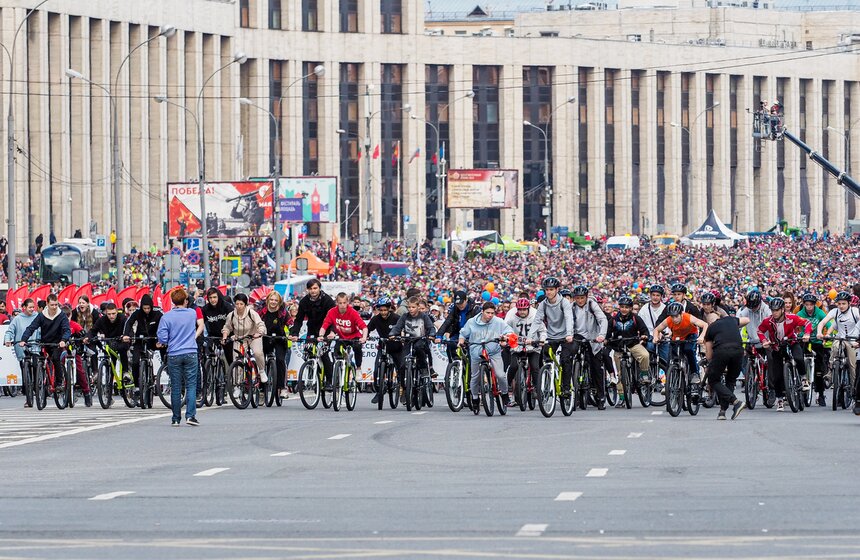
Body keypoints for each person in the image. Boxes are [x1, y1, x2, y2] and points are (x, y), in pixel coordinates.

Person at [458, 302, 515, 410]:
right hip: (476, 352)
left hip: (494, 351)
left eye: (492, 313)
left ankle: (504, 394)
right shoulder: (471, 322)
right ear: (482, 312)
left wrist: (505, 337)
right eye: (487, 313)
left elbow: (509, 331)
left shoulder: (498, 321)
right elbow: (463, 334)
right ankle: (475, 398)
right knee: (474, 377)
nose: (490, 315)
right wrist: (461, 341)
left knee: (501, 375)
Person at [758, 297, 811, 412]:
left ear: (782, 310)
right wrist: (764, 341)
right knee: (776, 375)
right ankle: (780, 399)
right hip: (777, 347)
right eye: (773, 310)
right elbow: (760, 330)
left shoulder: (792, 318)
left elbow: (807, 322)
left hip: (792, 342)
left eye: (777, 310)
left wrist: (806, 333)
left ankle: (803, 378)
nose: (774, 313)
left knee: (798, 357)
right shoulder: (768, 321)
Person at [156, 287, 200, 426]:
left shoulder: (166, 316)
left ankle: (175, 418)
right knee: (191, 385)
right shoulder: (192, 313)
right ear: (186, 300)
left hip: (174, 353)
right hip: (191, 351)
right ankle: (190, 416)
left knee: (175, 386)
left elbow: (162, 337)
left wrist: (165, 342)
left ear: (173, 301)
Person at [526, 277, 575, 398]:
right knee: (546, 359)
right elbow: (537, 321)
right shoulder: (543, 304)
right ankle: (548, 383)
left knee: (565, 359)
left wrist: (569, 334)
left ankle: (566, 388)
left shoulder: (564, 302)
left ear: (557, 290)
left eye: (551, 289)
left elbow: (569, 318)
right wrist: (530, 337)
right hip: (551, 335)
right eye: (547, 290)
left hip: (565, 336)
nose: (549, 292)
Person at [816, 291, 860, 414]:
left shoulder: (855, 312)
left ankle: (854, 389)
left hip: (852, 340)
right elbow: (823, 322)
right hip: (839, 338)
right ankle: (830, 373)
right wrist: (820, 332)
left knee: (853, 365)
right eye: (839, 303)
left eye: (843, 304)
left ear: (849, 303)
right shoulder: (834, 312)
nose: (841, 306)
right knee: (834, 348)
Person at [18, 293, 71, 391]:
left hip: (57, 343)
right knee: (40, 361)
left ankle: (59, 382)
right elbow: (31, 327)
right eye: (52, 305)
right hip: (45, 343)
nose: (54, 307)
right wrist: (23, 339)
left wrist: (63, 340)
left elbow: (67, 330)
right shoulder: (42, 316)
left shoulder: (62, 315)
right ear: (47, 304)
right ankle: (43, 387)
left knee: (55, 359)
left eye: (56, 304)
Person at [703, 312, 751, 420]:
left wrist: (711, 363)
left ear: (709, 322)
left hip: (722, 350)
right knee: (731, 380)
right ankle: (722, 412)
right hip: (738, 350)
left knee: (713, 380)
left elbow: (709, 355)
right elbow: (747, 320)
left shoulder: (710, 328)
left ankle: (736, 402)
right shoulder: (731, 320)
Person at [606, 295, 650, 408]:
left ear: (630, 308)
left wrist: (645, 335)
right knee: (620, 374)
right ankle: (621, 398)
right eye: (622, 307)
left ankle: (644, 374)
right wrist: (606, 340)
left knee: (645, 355)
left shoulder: (635, 318)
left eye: (627, 307)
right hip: (619, 347)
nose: (624, 309)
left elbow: (644, 330)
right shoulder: (613, 320)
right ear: (619, 307)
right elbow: (608, 333)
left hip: (633, 344)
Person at [390, 295, 436, 401]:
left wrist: (432, 334)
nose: (411, 309)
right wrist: (393, 334)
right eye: (409, 307)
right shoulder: (404, 316)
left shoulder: (423, 316)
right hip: (408, 341)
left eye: (413, 307)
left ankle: (424, 369)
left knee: (420, 349)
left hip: (420, 340)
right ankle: (405, 387)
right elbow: (398, 327)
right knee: (402, 364)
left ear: (417, 307)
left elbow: (430, 327)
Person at [570, 285, 609, 409]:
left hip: (593, 338)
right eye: (577, 298)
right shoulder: (571, 308)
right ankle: (573, 393)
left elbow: (603, 320)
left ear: (586, 297)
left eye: (582, 298)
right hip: (577, 337)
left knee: (596, 367)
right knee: (570, 360)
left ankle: (600, 396)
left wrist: (601, 335)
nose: (580, 300)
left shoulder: (592, 305)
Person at [319, 292, 368, 389]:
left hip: (354, 336)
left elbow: (364, 327)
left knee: (357, 347)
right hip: (341, 337)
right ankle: (338, 371)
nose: (342, 305)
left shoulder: (353, 312)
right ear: (336, 303)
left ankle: (358, 368)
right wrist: (321, 335)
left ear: (348, 303)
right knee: (335, 352)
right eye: (340, 303)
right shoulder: (332, 312)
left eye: (344, 303)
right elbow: (324, 326)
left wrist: (364, 337)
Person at [653, 302, 709, 386]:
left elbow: (705, 325)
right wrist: (655, 337)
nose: (674, 319)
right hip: (677, 337)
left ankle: (695, 373)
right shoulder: (668, 320)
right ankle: (670, 380)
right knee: (671, 354)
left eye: (676, 316)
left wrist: (701, 337)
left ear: (681, 314)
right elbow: (656, 329)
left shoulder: (688, 317)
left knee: (688, 350)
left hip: (690, 335)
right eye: (672, 316)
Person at [222, 293, 268, 383]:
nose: (239, 306)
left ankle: (262, 371)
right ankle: (237, 385)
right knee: (236, 361)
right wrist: (224, 337)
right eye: (237, 304)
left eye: (241, 304)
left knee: (257, 352)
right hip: (239, 339)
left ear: (245, 304)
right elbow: (227, 328)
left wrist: (259, 333)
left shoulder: (252, 313)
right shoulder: (231, 315)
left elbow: (260, 324)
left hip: (253, 337)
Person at [122, 294, 164, 390]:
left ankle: (166, 366)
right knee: (135, 362)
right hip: (140, 340)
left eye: (148, 308)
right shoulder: (137, 313)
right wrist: (126, 335)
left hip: (154, 339)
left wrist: (162, 339)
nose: (146, 310)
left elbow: (165, 325)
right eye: (144, 308)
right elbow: (129, 323)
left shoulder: (158, 313)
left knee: (164, 348)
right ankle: (137, 386)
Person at [797, 292, 831, 406]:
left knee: (819, 369)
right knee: (799, 361)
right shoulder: (800, 313)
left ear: (815, 304)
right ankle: (801, 383)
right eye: (807, 304)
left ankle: (820, 394)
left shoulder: (819, 312)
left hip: (817, 341)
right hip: (804, 341)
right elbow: (793, 324)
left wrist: (826, 334)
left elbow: (828, 323)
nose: (809, 307)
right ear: (804, 305)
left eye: (811, 304)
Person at [4, 298, 40, 407]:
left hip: (35, 346)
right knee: (25, 370)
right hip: (21, 348)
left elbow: (43, 329)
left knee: (35, 366)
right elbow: (10, 331)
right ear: (24, 307)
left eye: (33, 307)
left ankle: (37, 387)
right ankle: (28, 394)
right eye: (30, 307)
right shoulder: (17, 319)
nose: (32, 309)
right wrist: (7, 340)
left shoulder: (38, 317)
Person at [86, 302, 131, 385]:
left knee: (123, 349)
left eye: (113, 313)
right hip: (110, 342)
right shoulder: (102, 320)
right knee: (111, 362)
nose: (111, 316)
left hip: (122, 341)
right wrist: (87, 337)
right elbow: (93, 330)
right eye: (109, 314)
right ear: (106, 313)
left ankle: (125, 372)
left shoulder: (123, 318)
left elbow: (129, 330)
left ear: (117, 312)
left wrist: (126, 336)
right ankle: (109, 385)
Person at [366, 297, 401, 404]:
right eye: (381, 310)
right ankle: (379, 391)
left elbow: (403, 327)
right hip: (383, 346)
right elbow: (367, 329)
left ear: (389, 309)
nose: (383, 312)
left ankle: (403, 389)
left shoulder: (396, 318)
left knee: (401, 368)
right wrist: (366, 336)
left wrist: (400, 336)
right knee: (377, 369)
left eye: (385, 310)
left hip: (396, 347)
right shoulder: (375, 319)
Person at [505, 297, 541, 399]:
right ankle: (507, 385)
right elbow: (506, 330)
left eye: (524, 309)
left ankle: (536, 388)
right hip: (517, 347)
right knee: (513, 366)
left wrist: (541, 340)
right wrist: (506, 338)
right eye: (520, 309)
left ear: (528, 309)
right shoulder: (512, 319)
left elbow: (542, 330)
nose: (522, 312)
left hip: (533, 347)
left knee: (534, 366)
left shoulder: (535, 317)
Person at [259, 291, 289, 397]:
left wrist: (292, 333)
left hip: (279, 339)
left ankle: (282, 388)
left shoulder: (283, 312)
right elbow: (255, 322)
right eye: (271, 299)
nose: (273, 302)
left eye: (276, 300)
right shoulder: (262, 311)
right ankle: (262, 390)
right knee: (261, 361)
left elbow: (290, 324)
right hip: (265, 338)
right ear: (268, 300)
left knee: (280, 360)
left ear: (279, 302)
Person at [437, 290, 480, 361]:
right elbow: (447, 322)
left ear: (466, 300)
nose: (460, 305)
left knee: (471, 354)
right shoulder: (455, 309)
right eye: (457, 304)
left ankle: (470, 369)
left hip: (472, 334)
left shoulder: (475, 308)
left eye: (461, 303)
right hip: (458, 333)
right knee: (450, 345)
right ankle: (455, 363)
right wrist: (439, 335)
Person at [201, 287, 234, 363]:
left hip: (228, 336)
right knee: (208, 356)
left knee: (230, 358)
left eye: (215, 297)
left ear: (219, 297)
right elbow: (200, 323)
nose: (213, 300)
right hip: (213, 336)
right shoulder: (205, 309)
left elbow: (233, 321)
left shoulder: (227, 307)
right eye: (210, 298)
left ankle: (229, 373)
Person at [639, 284, 669, 367]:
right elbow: (640, 324)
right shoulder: (644, 309)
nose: (655, 297)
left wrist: (664, 333)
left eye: (658, 295)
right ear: (650, 295)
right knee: (647, 355)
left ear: (661, 297)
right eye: (653, 295)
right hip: (650, 337)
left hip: (664, 337)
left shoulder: (665, 308)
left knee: (666, 362)